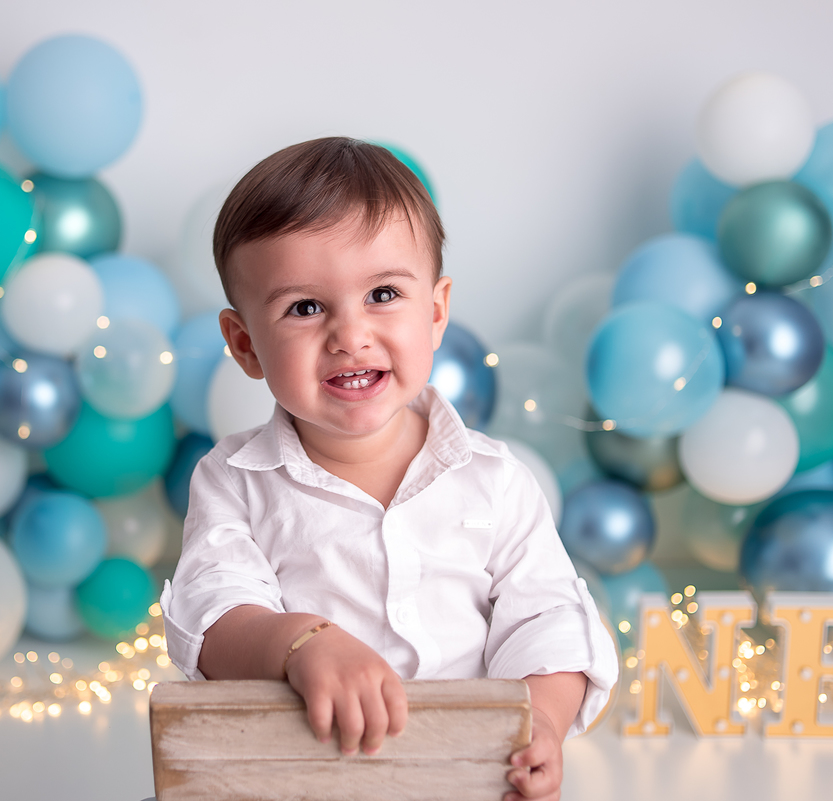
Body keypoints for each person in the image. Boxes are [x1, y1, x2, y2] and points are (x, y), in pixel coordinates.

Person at [160, 137, 617, 801]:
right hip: (300, 778)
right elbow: (213, 613)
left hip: (465, 776)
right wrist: (302, 643)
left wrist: (540, 720)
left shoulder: (494, 480)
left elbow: (548, 620)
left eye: (382, 294)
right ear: (245, 344)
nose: (350, 335)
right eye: (305, 307)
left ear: (435, 313)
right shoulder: (234, 479)